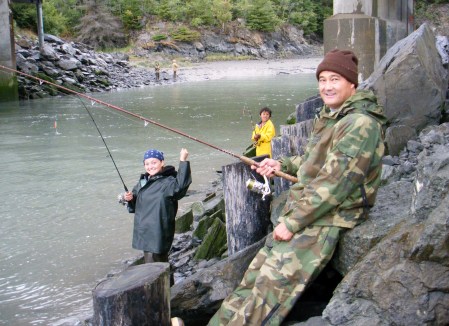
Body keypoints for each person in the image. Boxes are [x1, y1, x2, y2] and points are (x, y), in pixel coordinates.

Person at [208, 49, 387, 325]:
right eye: (322, 79)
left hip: (328, 216)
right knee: (251, 280)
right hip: (305, 208)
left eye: (335, 79)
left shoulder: (360, 123)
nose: (327, 86)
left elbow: (334, 185)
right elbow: (313, 161)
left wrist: (291, 223)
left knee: (269, 292)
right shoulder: (332, 116)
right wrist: (281, 165)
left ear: (352, 83)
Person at [124, 148, 192, 264]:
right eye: (147, 163)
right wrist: (130, 198)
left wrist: (183, 160)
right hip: (144, 230)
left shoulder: (168, 182)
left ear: (162, 162)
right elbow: (136, 201)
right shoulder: (143, 182)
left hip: (159, 230)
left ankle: (168, 282)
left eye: (154, 162)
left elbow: (180, 187)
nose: (150, 166)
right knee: (150, 262)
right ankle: (167, 281)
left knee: (157, 264)